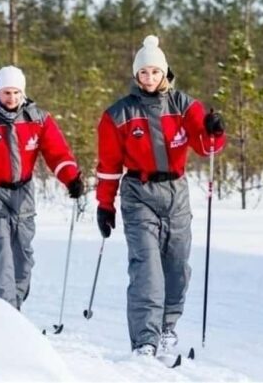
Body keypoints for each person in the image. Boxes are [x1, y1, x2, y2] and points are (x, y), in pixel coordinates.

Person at [95, 35, 226, 357]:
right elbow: (109, 165)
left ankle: (167, 328)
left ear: (165, 73)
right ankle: (145, 340)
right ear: (136, 75)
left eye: (155, 72)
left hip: (176, 193)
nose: (149, 78)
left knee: (177, 266)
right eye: (143, 73)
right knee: (147, 268)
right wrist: (104, 204)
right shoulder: (118, 115)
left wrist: (215, 130)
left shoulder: (185, 106)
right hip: (139, 193)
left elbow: (206, 147)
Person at [0, 65, 84, 310]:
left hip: (24, 192)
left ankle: (14, 309)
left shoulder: (38, 120)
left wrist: (71, 178)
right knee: (0, 249)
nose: (11, 98)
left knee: (22, 255)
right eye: (6, 93)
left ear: (23, 93)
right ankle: (2, 310)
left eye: (16, 93)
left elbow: (57, 153)